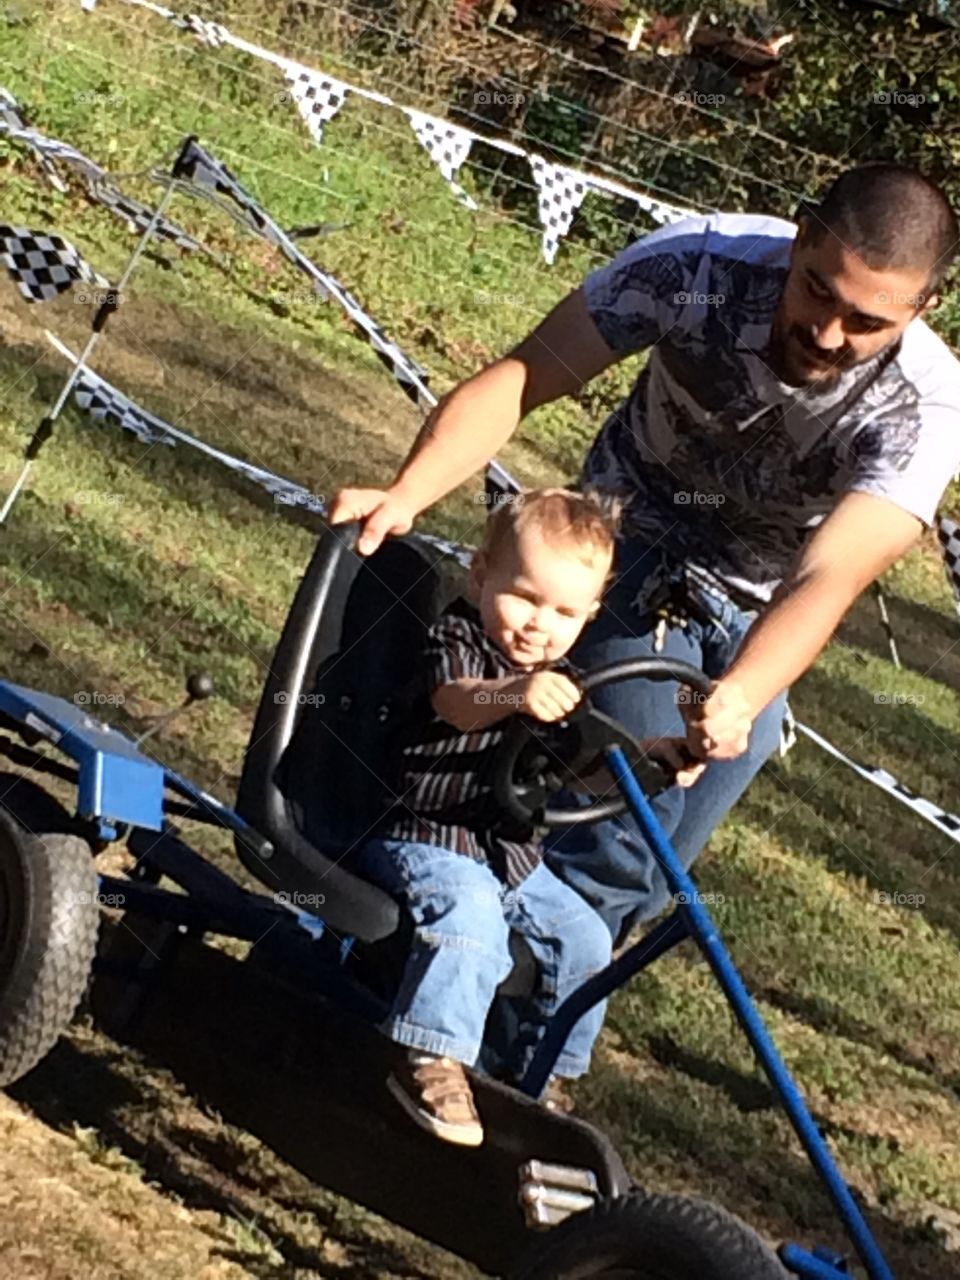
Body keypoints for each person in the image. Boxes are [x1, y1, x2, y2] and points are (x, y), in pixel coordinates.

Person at [332, 161, 960, 946]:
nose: (829, 334)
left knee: (676, 834)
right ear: (799, 237)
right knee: (629, 801)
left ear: (925, 307)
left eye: (867, 322)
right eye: (818, 291)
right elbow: (527, 377)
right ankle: (475, 996)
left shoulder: (929, 407)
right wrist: (406, 494)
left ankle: (538, 987)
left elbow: (829, 576)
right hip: (627, 543)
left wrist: (736, 696)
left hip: (758, 602)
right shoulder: (695, 265)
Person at [357, 488, 702, 1146]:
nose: (539, 624)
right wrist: (514, 694)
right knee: (471, 924)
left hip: (511, 856)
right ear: (481, 573)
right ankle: (430, 1056)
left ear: (590, 616)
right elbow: (455, 703)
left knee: (588, 941)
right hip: (430, 837)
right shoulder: (459, 635)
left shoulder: (562, 677)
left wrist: (656, 756)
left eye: (565, 611)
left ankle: (543, 1076)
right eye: (526, 597)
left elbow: (580, 769)